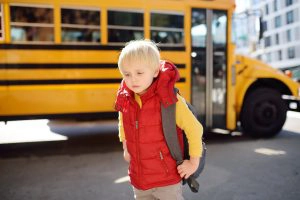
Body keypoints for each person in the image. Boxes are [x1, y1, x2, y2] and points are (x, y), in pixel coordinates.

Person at [115, 39, 203, 200]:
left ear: (155, 71)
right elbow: (123, 122)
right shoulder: (126, 98)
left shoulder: (168, 98)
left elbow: (194, 128)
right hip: (139, 179)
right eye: (126, 74)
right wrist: (126, 147)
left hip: (167, 179)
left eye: (139, 73)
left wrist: (193, 162)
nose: (132, 79)